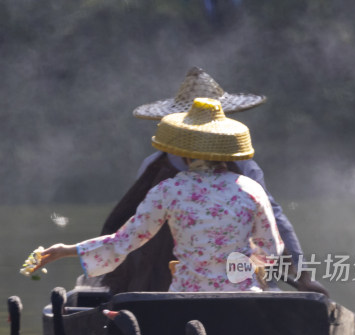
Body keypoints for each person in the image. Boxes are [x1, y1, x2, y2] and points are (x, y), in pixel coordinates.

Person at [98, 67, 328, 296]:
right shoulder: (241, 171)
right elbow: (273, 227)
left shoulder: (154, 166)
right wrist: (303, 276)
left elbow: (135, 230)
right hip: (191, 275)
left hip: (172, 281)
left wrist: (301, 274)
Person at [32, 97, 282, 292]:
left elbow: (125, 240)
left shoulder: (168, 190)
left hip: (186, 296)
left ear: (183, 153)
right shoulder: (252, 189)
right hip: (242, 297)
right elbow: (270, 252)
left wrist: (66, 250)